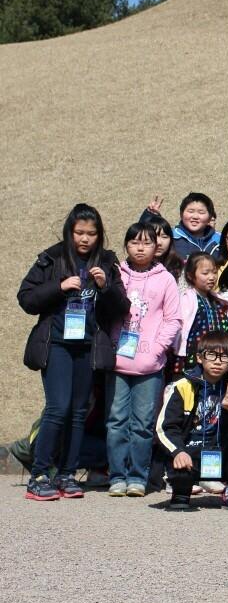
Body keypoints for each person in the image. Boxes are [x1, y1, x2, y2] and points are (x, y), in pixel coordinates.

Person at [19, 204, 129, 501]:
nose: (85, 239)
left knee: (79, 412)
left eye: (91, 234)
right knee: (58, 408)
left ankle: (68, 474)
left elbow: (121, 309)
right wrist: (59, 286)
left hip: (87, 347)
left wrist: (106, 287)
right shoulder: (52, 257)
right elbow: (26, 298)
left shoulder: (106, 261)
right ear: (69, 231)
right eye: (79, 232)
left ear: (99, 235)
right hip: (56, 345)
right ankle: (40, 474)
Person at [107, 222, 181, 497]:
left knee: (142, 423)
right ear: (126, 245)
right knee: (116, 421)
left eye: (147, 242)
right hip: (117, 362)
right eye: (134, 242)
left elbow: (173, 319)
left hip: (150, 365)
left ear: (157, 247)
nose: (140, 247)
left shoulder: (166, 279)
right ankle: (117, 476)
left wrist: (157, 350)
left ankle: (137, 476)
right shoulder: (116, 274)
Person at [155, 331, 228, 512]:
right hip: (189, 452)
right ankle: (180, 490)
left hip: (219, 452)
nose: (218, 361)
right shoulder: (182, 386)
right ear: (200, 358)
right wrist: (178, 451)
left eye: (224, 357)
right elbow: (164, 428)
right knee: (180, 501)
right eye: (212, 355)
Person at [176, 252, 228, 372]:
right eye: (205, 273)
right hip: (193, 359)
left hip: (216, 359)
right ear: (190, 275)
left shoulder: (219, 301)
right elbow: (180, 329)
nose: (212, 277)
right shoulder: (185, 299)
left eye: (214, 272)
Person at [143, 193, 220, 263]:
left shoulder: (220, 239)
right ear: (181, 214)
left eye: (201, 212)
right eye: (191, 211)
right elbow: (142, 238)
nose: (195, 216)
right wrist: (149, 215)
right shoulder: (171, 236)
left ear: (210, 217)